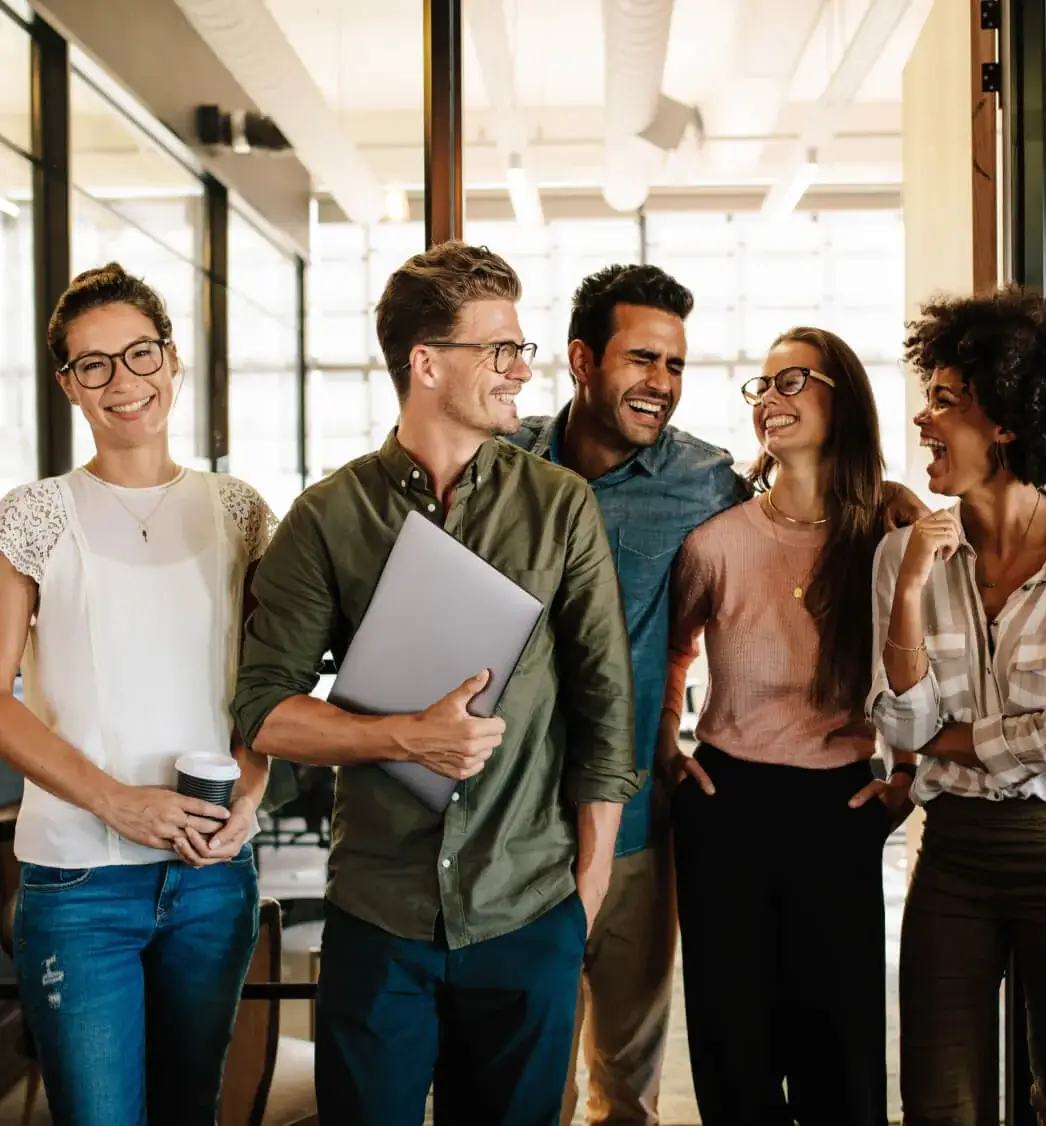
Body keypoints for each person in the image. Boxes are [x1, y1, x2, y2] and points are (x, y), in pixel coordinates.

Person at [232, 240, 640, 1126]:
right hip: (381, 911)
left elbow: (606, 704)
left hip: (528, 906)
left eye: (520, 350)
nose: (520, 371)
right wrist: (402, 735)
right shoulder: (328, 517)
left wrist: (590, 884)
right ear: (425, 364)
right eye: (500, 350)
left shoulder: (560, 505)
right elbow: (265, 711)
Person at [0, 263, 272, 1124]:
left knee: (191, 1110)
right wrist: (118, 804)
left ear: (172, 361)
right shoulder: (36, 513)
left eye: (140, 354)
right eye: (95, 364)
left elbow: (271, 685)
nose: (124, 382)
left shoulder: (238, 510)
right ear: (68, 385)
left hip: (211, 878)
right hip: (80, 882)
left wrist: (250, 791)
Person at [868, 287, 1046, 1126]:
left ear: (1009, 421)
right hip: (953, 855)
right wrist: (909, 589)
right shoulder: (902, 558)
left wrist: (947, 737)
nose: (923, 419)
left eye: (948, 400)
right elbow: (899, 730)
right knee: (939, 1103)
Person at [658, 327, 912, 1126]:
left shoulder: (889, 534)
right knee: (735, 1052)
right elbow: (670, 651)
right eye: (761, 386)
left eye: (792, 381)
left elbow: (930, 668)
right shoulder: (716, 542)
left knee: (841, 1052)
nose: (770, 399)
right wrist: (669, 740)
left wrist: (905, 777)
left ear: (845, 396)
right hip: (727, 805)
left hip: (839, 809)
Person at [512, 263, 744, 1126]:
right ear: (581, 359)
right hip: (515, 832)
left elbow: (801, 530)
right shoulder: (501, 465)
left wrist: (895, 506)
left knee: (627, 1089)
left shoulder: (706, 483)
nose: (662, 385)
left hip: (640, 825)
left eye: (676, 365)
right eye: (642, 359)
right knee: (529, 1088)